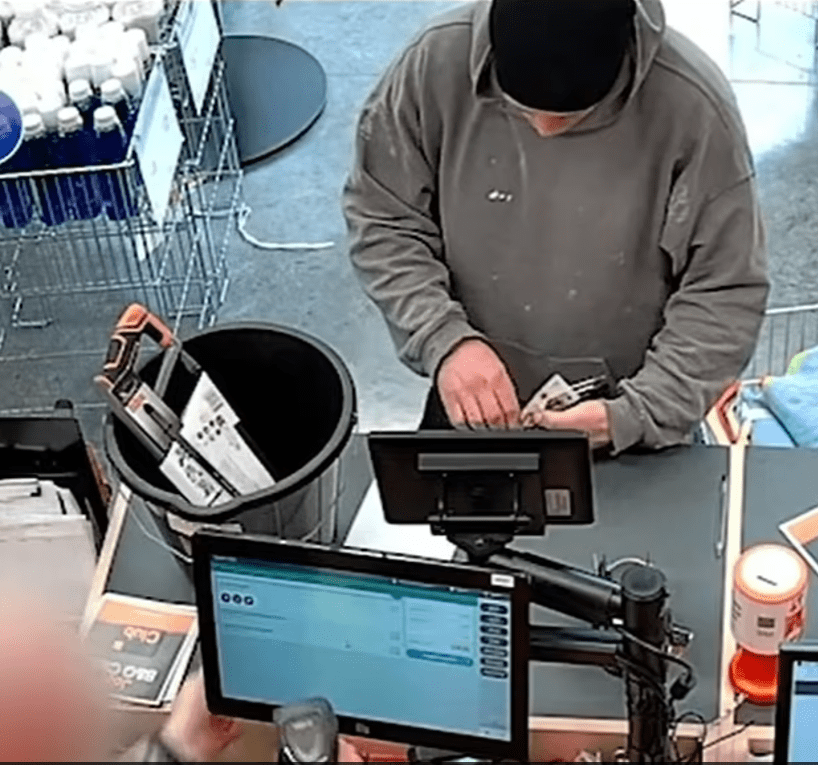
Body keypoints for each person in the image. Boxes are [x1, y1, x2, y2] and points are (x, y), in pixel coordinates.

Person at [343, 0, 769, 454]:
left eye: (571, 118)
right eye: (522, 110)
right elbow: (384, 217)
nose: (545, 130)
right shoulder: (434, 64)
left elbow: (724, 291)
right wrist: (443, 340)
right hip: (471, 387)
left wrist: (636, 413)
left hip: (630, 411)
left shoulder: (694, 110)